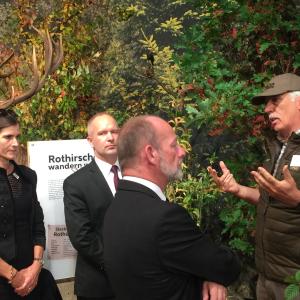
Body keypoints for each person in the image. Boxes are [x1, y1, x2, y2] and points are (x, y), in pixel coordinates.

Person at [103, 115, 241, 300]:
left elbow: (164, 267)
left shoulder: (117, 206)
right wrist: (213, 273)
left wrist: (206, 275)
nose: (182, 151)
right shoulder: (165, 218)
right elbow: (225, 267)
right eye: (174, 145)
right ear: (151, 153)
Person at [207, 73, 300, 300]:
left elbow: (292, 198)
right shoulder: (279, 148)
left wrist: (298, 199)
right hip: (267, 277)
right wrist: (237, 189)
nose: (267, 109)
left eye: (275, 100)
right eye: (266, 103)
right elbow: (272, 198)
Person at [63, 112, 120, 300]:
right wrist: (120, 263)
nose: (110, 137)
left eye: (114, 131)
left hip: (140, 283)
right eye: (103, 133)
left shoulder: (136, 174)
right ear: (90, 140)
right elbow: (82, 236)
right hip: (99, 285)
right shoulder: (76, 183)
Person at [0, 109, 44, 299]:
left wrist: (36, 266)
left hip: (32, 277)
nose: (16, 143)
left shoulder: (27, 176)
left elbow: (37, 224)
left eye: (18, 136)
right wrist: (13, 275)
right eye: (8, 137)